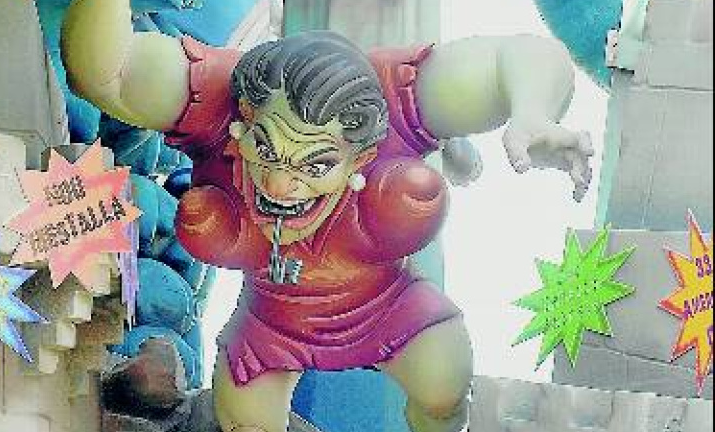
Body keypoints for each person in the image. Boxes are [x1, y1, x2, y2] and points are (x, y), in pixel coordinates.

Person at [62, 1, 594, 431]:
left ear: (361, 158)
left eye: (314, 165)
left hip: (390, 309)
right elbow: (106, 73)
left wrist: (532, 110)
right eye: (266, 150)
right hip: (269, 327)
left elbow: (524, 56)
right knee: (246, 423)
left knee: (444, 389)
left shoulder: (395, 100)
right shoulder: (224, 99)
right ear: (246, 119)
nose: (280, 185)